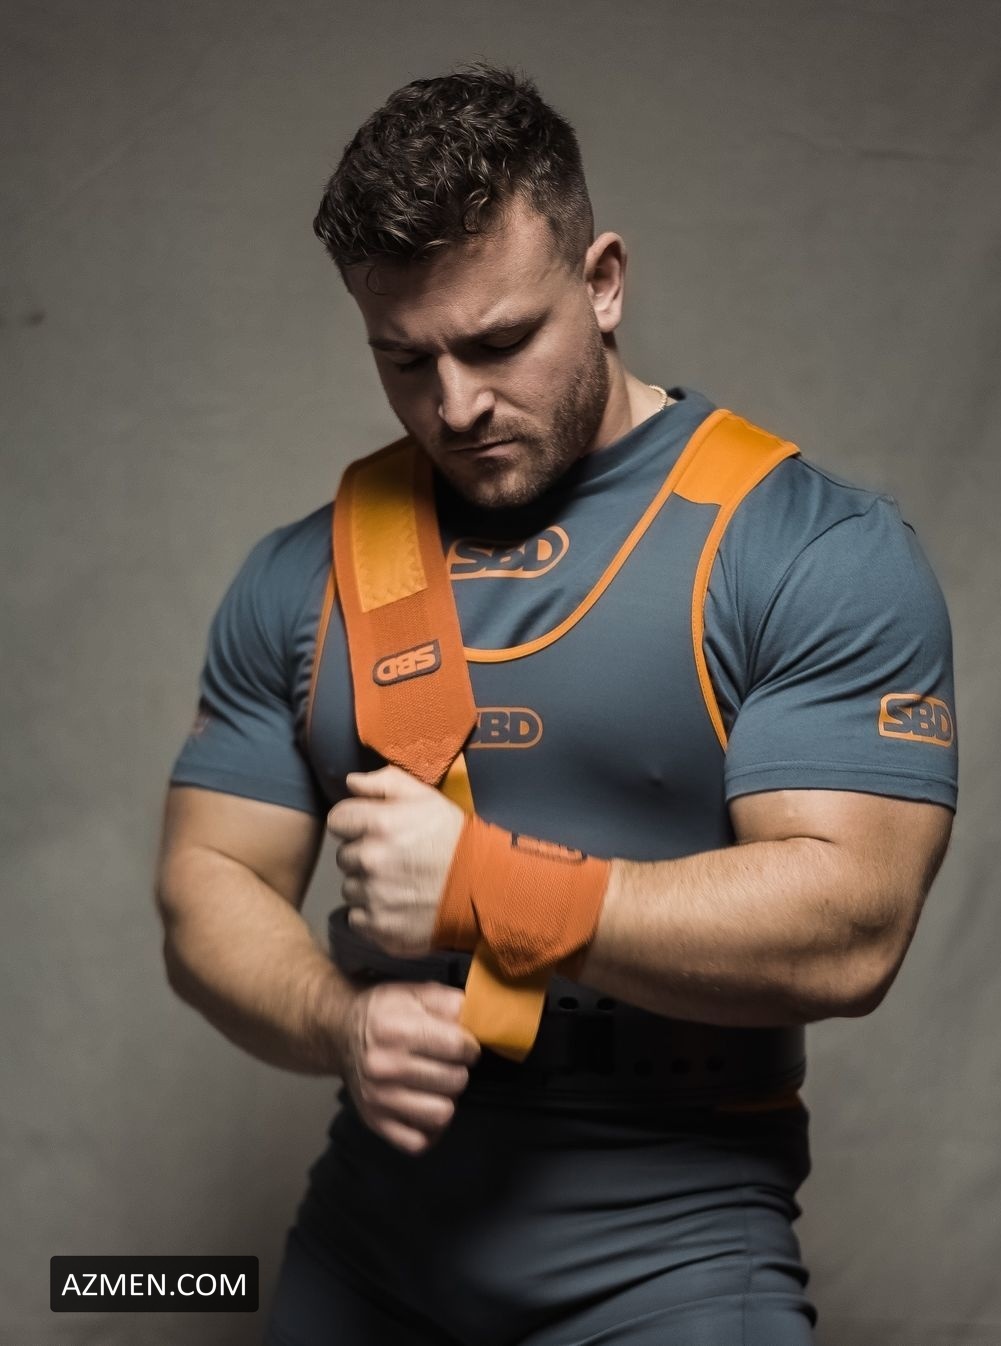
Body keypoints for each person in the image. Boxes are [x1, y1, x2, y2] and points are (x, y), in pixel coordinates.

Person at [155, 61, 958, 1346]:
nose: (457, 404)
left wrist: (489, 886)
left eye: (498, 342)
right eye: (405, 359)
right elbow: (208, 878)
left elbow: (854, 925)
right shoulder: (306, 573)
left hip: (677, 1251)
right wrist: (339, 1019)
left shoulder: (806, 549)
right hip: (371, 1242)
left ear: (604, 281)